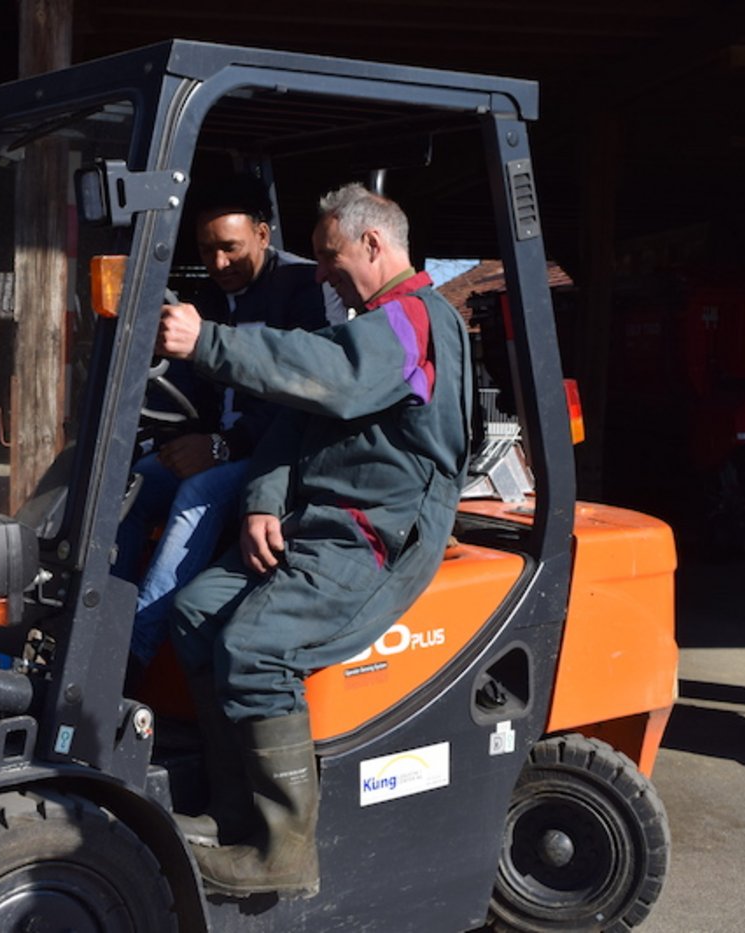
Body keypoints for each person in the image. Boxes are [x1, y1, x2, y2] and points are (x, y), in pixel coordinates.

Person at [154, 183, 472, 898]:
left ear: (373, 244)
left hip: (375, 538)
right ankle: (234, 813)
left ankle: (283, 851)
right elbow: (295, 418)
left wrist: (208, 340)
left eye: (329, 258)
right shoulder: (367, 321)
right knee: (197, 612)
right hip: (316, 524)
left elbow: (328, 376)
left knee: (255, 648)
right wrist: (262, 501)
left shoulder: (411, 321)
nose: (321, 273)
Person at [114, 174, 344, 670]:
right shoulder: (209, 297)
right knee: (126, 485)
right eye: (206, 249)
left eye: (230, 248)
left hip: (275, 458)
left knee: (198, 493)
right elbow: (192, 385)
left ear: (263, 235)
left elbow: (306, 397)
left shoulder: (307, 290)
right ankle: (99, 624)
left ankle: (131, 655)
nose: (218, 263)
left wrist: (223, 445)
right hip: (220, 442)